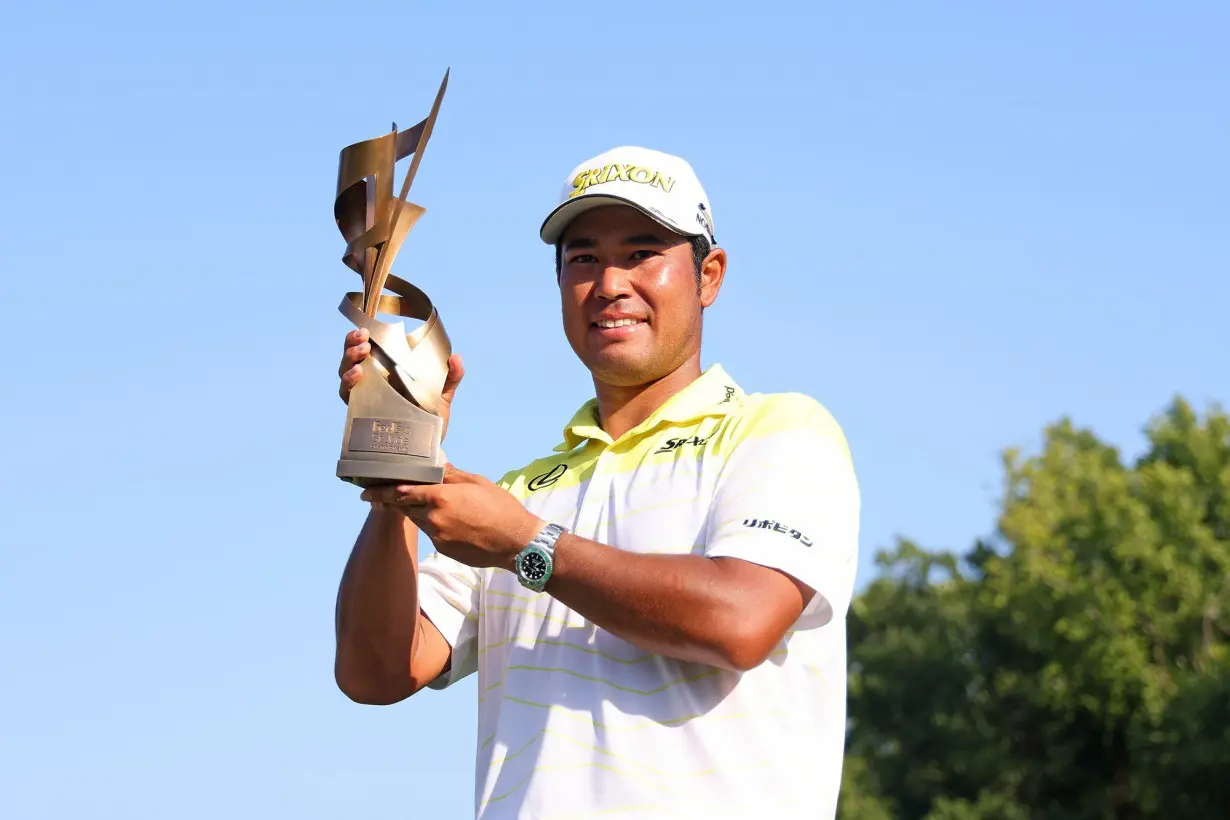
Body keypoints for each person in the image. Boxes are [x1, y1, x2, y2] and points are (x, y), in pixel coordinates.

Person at [332, 146, 861, 819]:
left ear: (709, 276)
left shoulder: (776, 430)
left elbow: (740, 620)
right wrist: (401, 466)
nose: (610, 283)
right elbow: (375, 670)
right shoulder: (516, 494)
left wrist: (528, 546)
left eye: (641, 253)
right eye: (584, 258)